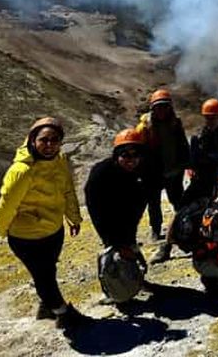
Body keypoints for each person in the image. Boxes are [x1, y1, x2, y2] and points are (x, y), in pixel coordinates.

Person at [0, 117, 85, 328]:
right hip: (26, 237)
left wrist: (73, 217)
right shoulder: (21, 171)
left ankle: (46, 307)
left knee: (48, 271)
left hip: (54, 230)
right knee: (43, 275)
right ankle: (64, 314)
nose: (49, 145)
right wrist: (3, 230)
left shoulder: (60, 160)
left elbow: (67, 190)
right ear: (32, 140)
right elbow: (7, 205)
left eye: (55, 140)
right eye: (44, 140)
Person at [85, 129, 149, 303]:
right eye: (125, 155)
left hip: (127, 220)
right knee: (113, 259)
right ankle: (113, 291)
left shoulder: (140, 172)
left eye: (135, 155)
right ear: (116, 155)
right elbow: (97, 212)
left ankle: (132, 280)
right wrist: (114, 242)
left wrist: (130, 239)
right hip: (108, 220)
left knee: (130, 255)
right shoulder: (101, 174)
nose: (131, 160)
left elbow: (139, 203)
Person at [136, 88, 190, 264]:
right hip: (152, 172)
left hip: (173, 170)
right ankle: (155, 229)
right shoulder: (145, 126)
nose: (162, 110)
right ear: (153, 108)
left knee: (178, 201)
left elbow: (182, 144)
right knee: (153, 202)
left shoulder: (176, 123)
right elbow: (138, 150)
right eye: (158, 107)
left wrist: (187, 163)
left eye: (165, 107)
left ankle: (181, 227)